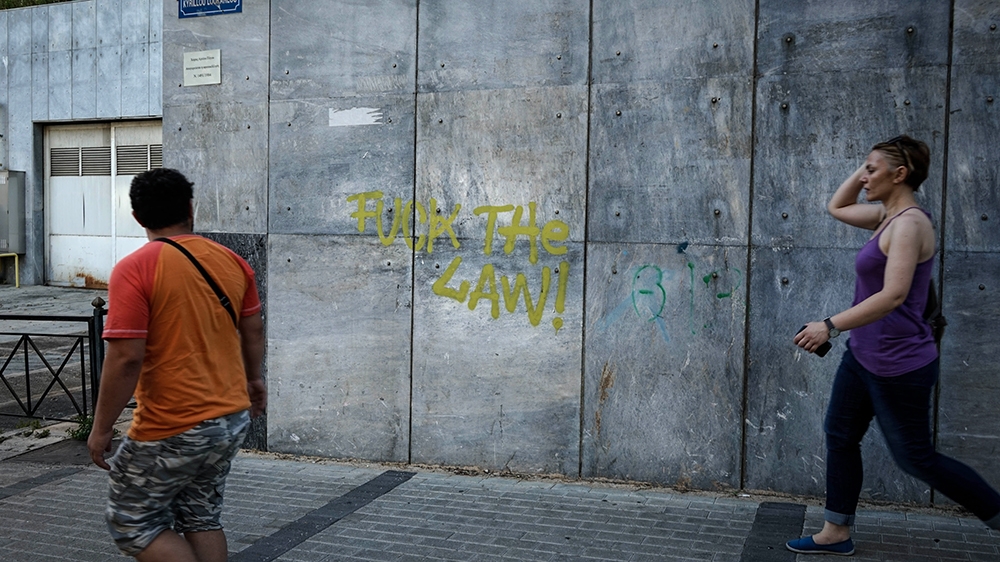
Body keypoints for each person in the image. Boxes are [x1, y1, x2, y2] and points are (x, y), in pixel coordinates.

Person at [787, 135, 1000, 556]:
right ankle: (836, 532)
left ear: (900, 174)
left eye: (872, 170)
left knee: (916, 458)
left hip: (899, 364)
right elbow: (837, 206)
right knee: (840, 435)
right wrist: (871, 165)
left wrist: (829, 325)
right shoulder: (886, 215)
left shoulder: (909, 225)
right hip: (863, 357)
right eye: (864, 169)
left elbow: (893, 295)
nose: (864, 177)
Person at [87, 168, 267, 562]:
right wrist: (254, 381)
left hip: (173, 422)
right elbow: (253, 330)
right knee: (200, 516)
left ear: (137, 216)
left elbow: (126, 358)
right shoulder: (232, 261)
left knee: (133, 524)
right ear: (190, 208)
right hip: (229, 418)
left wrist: (100, 428)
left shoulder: (135, 268)